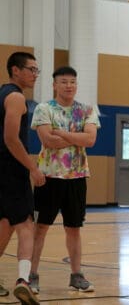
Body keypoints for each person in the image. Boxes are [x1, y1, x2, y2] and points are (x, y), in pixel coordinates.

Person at [30, 66, 99, 293]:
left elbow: (90, 140)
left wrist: (61, 133)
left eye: (72, 82)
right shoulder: (43, 109)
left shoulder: (87, 110)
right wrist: (75, 138)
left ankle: (76, 275)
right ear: (54, 85)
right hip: (48, 177)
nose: (69, 85)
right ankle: (31, 275)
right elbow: (48, 141)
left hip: (77, 177)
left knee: (74, 228)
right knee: (40, 228)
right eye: (64, 81)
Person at [0, 51, 45, 305]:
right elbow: (10, 139)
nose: (34, 75)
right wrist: (33, 168)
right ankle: (23, 281)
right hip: (11, 169)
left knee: (5, 223)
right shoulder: (16, 97)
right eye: (31, 69)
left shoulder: (1, 94)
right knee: (26, 224)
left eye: (36, 70)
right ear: (15, 70)